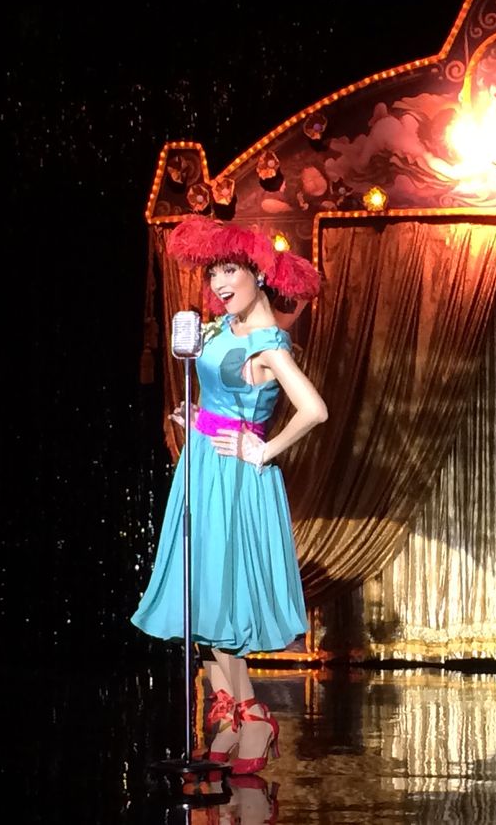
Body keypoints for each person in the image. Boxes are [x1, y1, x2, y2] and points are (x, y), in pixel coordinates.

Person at [131, 214, 327, 776]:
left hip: (235, 480)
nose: (218, 283)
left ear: (257, 274)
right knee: (202, 595)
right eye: (213, 272)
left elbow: (314, 410)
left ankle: (251, 715)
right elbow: (223, 399)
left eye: (229, 271)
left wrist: (263, 451)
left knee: (219, 596)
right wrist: (198, 418)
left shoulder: (267, 344)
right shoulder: (225, 329)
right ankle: (233, 719)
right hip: (204, 465)